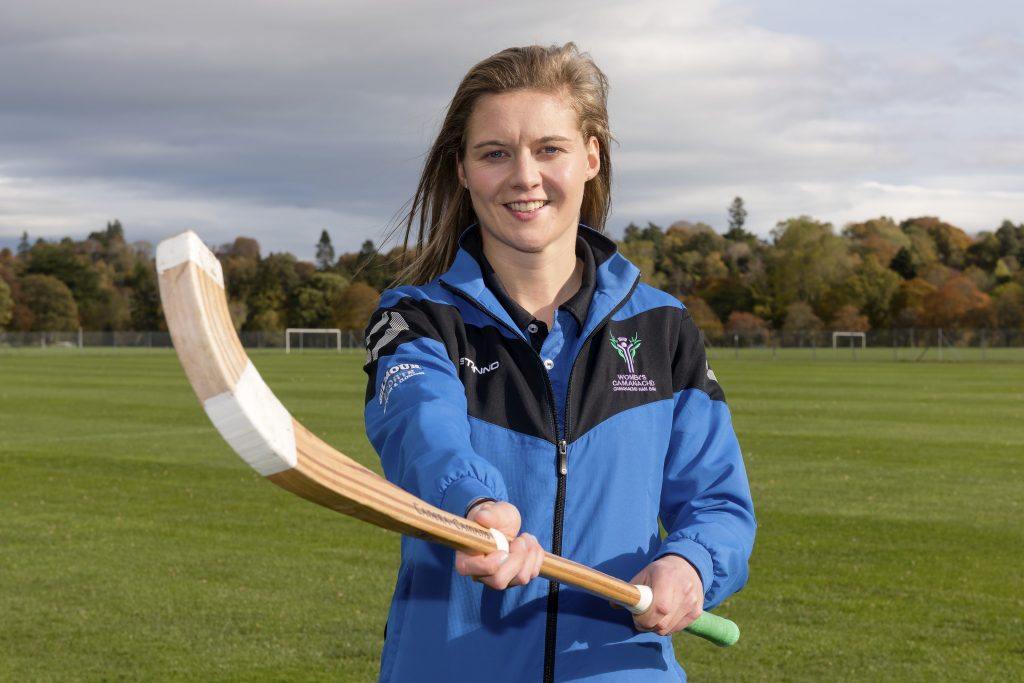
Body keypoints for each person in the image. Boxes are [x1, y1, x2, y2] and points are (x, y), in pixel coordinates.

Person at [362, 43, 755, 682]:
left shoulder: (662, 327)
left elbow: (716, 501)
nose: (524, 176)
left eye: (549, 149)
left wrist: (692, 563)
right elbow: (420, 431)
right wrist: (476, 506)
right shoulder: (416, 318)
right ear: (462, 170)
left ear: (591, 157)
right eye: (495, 153)